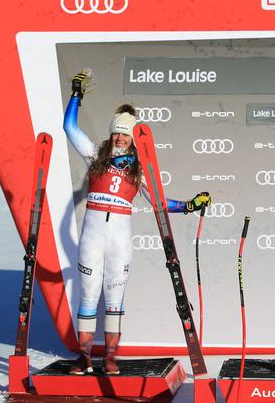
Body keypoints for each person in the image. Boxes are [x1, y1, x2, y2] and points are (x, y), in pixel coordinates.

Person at [63, 70, 210, 375]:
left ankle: (112, 358)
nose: (119, 138)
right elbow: (69, 127)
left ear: (133, 137)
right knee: (89, 296)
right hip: (92, 236)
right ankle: (86, 358)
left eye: (125, 134)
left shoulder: (138, 170)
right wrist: (76, 94)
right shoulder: (94, 155)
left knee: (115, 299)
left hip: (119, 238)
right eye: (116, 132)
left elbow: (158, 202)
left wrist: (189, 206)